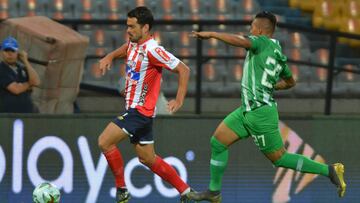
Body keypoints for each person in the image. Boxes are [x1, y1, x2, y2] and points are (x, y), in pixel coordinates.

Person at [187, 11, 346, 202]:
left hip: (260, 113)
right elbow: (290, 82)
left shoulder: (260, 42)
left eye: (252, 27)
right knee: (218, 142)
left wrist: (212, 34)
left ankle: (329, 170)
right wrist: (269, 86)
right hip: (247, 110)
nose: (250, 31)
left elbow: (242, 42)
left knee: (279, 158)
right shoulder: (278, 52)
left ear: (260, 30)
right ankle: (214, 192)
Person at [98, 6, 194, 203]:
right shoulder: (134, 43)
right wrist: (110, 56)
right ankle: (185, 191)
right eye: (127, 26)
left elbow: (184, 70)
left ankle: (122, 190)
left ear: (145, 28)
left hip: (139, 112)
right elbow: (126, 48)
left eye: (132, 27)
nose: (128, 30)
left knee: (104, 142)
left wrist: (179, 99)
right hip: (138, 112)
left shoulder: (153, 50)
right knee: (148, 159)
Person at [0, 36, 40, 113]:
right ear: (2, 52)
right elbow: (16, 89)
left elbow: (36, 81)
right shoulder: (1, 69)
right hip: (7, 115)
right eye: (6, 50)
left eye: (13, 51)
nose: (9, 54)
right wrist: (29, 84)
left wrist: (25, 61)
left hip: (28, 113)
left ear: (17, 53)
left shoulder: (22, 68)